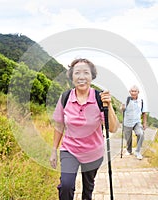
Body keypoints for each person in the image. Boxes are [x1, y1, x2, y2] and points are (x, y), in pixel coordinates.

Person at [49, 58, 119, 200]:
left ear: (92, 76)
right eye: (77, 73)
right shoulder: (65, 97)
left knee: (88, 190)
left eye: (86, 73)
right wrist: (53, 150)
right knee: (66, 186)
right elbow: (59, 126)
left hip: (93, 152)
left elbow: (112, 128)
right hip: (70, 150)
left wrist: (109, 105)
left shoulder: (99, 98)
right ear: (71, 76)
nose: (81, 77)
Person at [121, 85, 148, 160]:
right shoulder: (126, 99)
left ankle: (137, 152)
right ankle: (129, 151)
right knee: (128, 138)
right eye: (132, 91)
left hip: (137, 122)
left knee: (141, 134)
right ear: (130, 92)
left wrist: (144, 123)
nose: (133, 93)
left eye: (135, 91)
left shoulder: (141, 101)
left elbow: (144, 113)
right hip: (127, 122)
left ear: (138, 92)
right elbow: (122, 109)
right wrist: (122, 108)